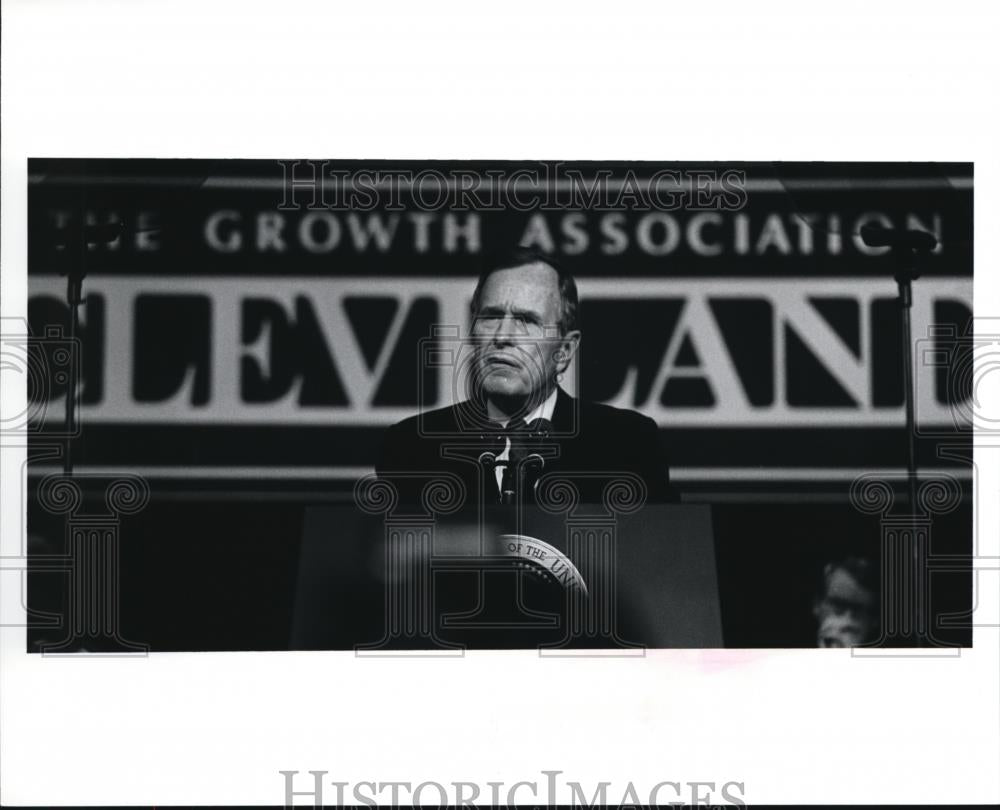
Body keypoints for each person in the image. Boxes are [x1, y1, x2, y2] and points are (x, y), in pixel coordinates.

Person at [376, 249, 673, 507]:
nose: (502, 336)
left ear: (565, 351)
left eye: (526, 320)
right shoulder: (411, 448)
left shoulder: (627, 446)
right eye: (491, 317)